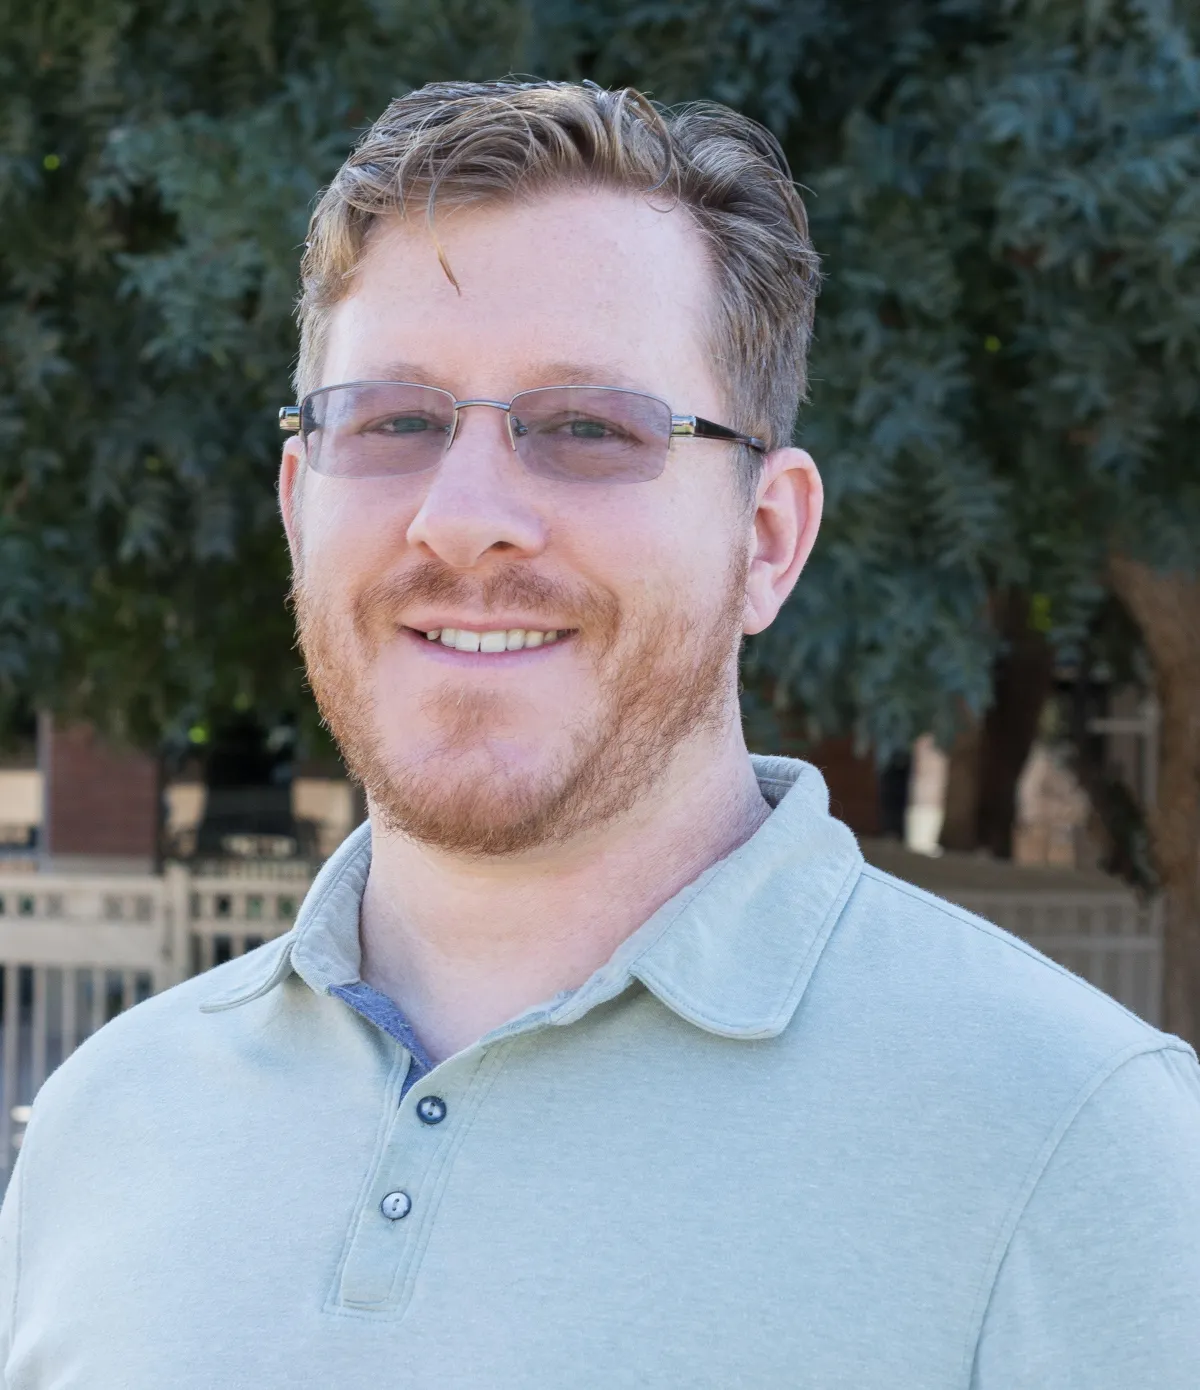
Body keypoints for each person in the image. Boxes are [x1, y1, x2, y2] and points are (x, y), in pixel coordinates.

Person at [1, 80, 1197, 1389]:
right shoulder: (104, 1125)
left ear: (766, 540)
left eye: (587, 428)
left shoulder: (1078, 1148)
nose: (461, 517)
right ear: (300, 505)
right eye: (393, 422)